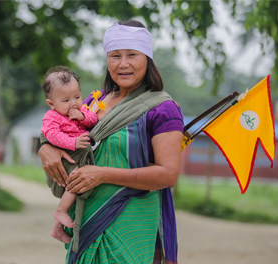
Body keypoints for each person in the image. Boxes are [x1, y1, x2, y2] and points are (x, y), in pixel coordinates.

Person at [39, 20, 184, 264]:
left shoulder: (163, 109)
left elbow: (168, 175)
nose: (123, 63)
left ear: (147, 58)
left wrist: (102, 174)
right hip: (86, 220)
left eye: (132, 55)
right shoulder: (95, 102)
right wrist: (44, 147)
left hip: (130, 225)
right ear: (107, 60)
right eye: (115, 55)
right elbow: (58, 128)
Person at [41, 66, 98, 243]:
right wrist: (72, 143)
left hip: (79, 153)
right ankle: (61, 211)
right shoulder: (52, 117)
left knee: (77, 183)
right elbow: (51, 135)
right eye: (66, 100)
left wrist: (82, 117)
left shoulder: (82, 110)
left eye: (77, 97)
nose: (73, 103)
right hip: (66, 154)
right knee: (75, 179)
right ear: (51, 103)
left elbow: (93, 119)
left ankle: (57, 228)